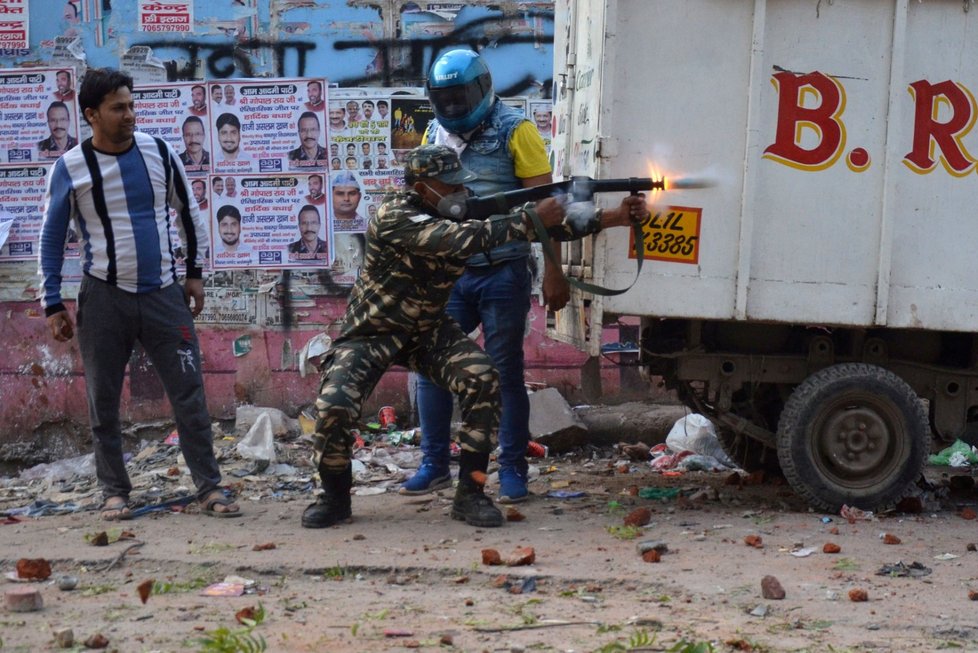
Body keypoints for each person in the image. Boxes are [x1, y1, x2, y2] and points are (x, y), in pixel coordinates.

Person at [300, 144, 646, 529]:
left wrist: (615, 217)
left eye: (458, 184)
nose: (458, 191)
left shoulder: (461, 207)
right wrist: (530, 219)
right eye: (447, 186)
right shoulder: (393, 215)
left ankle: (471, 493)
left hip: (427, 329)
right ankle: (333, 497)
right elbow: (457, 239)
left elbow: (550, 223)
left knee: (482, 379)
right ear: (421, 187)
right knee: (334, 405)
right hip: (372, 331)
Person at [37, 67, 240, 521]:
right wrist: (51, 302)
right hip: (103, 296)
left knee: (190, 396)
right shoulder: (70, 167)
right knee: (103, 399)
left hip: (164, 295)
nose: (130, 115)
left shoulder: (159, 152)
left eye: (131, 105)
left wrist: (194, 273)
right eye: (118, 108)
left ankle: (210, 488)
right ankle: (115, 492)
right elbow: (50, 239)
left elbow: (188, 213)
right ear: (91, 114)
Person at [403, 49, 570, 502]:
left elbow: (547, 210)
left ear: (481, 89)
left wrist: (554, 271)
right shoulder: (434, 131)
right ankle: (434, 463)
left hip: (503, 270)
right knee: (434, 370)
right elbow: (423, 199)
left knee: (505, 373)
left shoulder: (517, 130)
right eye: (446, 98)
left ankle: (512, 468)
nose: (454, 106)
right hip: (451, 273)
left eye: (461, 96)